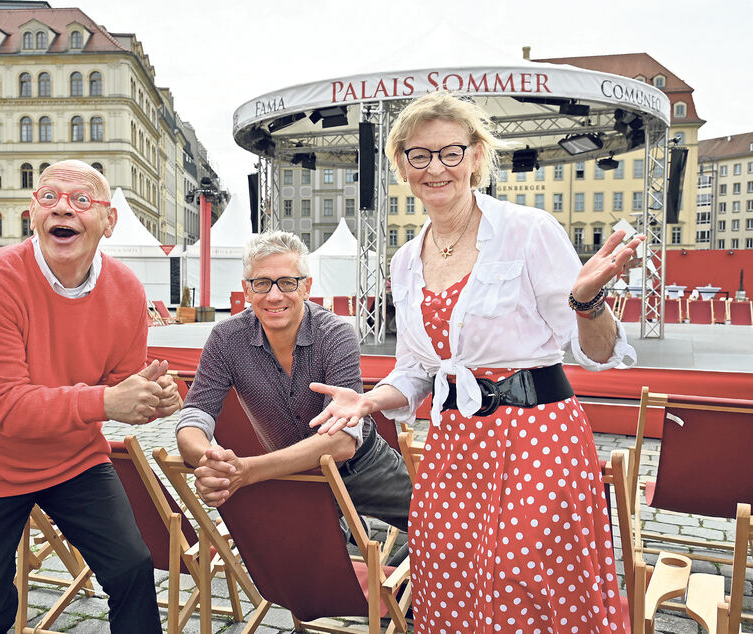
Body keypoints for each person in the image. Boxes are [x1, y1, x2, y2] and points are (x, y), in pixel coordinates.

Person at [309, 92, 643, 634]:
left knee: (523, 577)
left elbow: (599, 353)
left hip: (536, 436)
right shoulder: (404, 259)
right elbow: (417, 370)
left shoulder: (527, 230)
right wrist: (370, 399)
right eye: (419, 155)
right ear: (400, 165)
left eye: (450, 152)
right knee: (447, 571)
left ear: (476, 156)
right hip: (454, 443)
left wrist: (587, 302)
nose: (435, 167)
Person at [0, 160, 178, 633]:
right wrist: (107, 402)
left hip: (72, 456)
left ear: (109, 221)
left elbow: (125, 382)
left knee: (132, 566)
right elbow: (7, 409)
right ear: (33, 213)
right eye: (49, 197)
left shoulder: (127, 288)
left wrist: (158, 397)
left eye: (81, 200)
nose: (61, 208)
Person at [176, 231, 412, 534]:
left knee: (436, 530)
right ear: (246, 291)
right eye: (261, 283)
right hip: (291, 473)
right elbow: (195, 415)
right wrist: (210, 460)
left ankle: (383, 558)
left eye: (287, 282)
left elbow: (342, 442)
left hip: (364, 466)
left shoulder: (335, 334)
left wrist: (246, 471)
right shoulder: (226, 339)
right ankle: (356, 542)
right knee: (310, 564)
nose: (274, 296)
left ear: (306, 287)